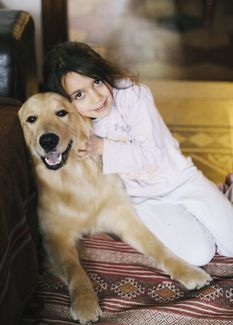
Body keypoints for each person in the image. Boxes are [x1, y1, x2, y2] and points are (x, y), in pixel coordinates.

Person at [43, 41, 233, 266]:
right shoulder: (73, 123)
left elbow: (151, 155)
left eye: (96, 81)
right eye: (79, 95)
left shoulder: (132, 93)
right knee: (200, 255)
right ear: (66, 101)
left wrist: (101, 146)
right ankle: (198, 215)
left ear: (104, 73)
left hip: (179, 177)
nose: (96, 97)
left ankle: (222, 199)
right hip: (143, 199)